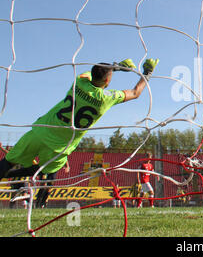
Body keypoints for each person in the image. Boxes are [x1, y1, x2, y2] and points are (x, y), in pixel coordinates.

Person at [0, 58, 159, 183]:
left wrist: (116, 67)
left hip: (41, 130)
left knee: (6, 162)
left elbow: (91, 73)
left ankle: (7, 173)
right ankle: (12, 176)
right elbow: (135, 92)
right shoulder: (106, 98)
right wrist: (147, 72)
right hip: (60, 146)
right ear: (107, 82)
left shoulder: (79, 82)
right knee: (46, 171)